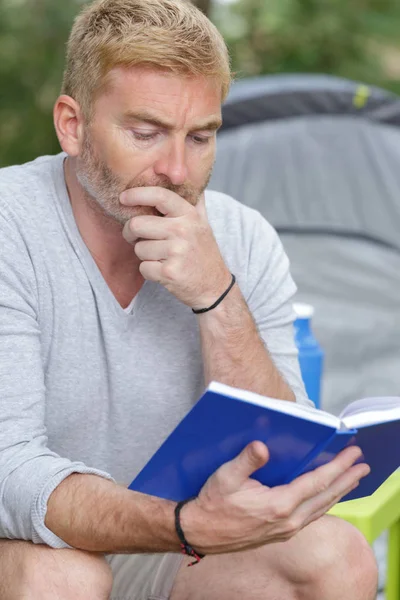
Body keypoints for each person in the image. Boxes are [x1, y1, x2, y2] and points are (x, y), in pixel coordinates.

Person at [0, 0, 378, 598]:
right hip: (30, 546)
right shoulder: (9, 227)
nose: (177, 170)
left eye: (200, 136)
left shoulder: (242, 237)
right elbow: (9, 472)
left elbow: (279, 452)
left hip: (169, 547)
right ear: (72, 125)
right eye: (145, 133)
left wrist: (215, 294)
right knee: (64, 576)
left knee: (335, 555)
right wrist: (182, 524)